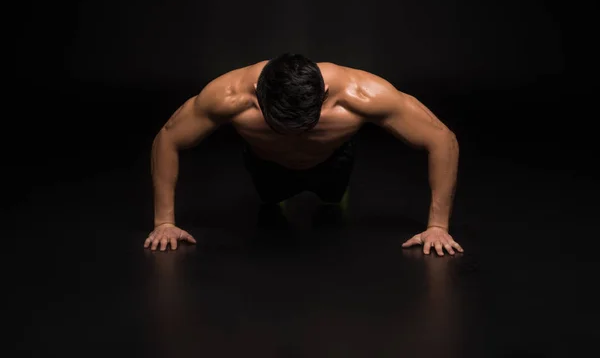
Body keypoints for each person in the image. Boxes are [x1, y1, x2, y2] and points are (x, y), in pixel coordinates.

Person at [144, 53, 463, 256]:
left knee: (332, 199)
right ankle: (281, 192)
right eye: (280, 124)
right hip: (266, 167)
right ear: (258, 95)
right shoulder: (228, 95)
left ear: (323, 96)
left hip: (333, 162)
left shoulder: (361, 94)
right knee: (270, 201)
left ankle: (336, 192)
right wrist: (164, 222)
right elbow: (168, 137)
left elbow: (441, 138)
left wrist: (437, 226)